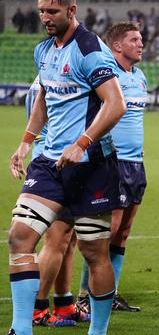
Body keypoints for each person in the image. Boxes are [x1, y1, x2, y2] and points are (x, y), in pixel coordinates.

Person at [8, 0, 125, 335]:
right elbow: (44, 96)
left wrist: (83, 142)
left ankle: (98, 330)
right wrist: (27, 141)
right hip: (50, 164)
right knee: (20, 237)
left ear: (71, 10)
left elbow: (115, 104)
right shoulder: (43, 50)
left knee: (94, 253)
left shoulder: (90, 50)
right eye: (42, 10)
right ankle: (21, 328)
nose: (45, 16)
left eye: (52, 11)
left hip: (92, 167)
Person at [77, 22, 148, 313]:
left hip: (136, 163)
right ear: (117, 46)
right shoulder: (108, 75)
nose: (140, 43)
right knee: (106, 231)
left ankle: (111, 292)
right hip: (112, 163)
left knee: (124, 231)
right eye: (134, 39)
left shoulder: (140, 76)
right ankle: (85, 296)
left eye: (141, 39)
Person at [26, 75, 86, 328]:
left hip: (56, 161)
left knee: (68, 237)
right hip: (56, 163)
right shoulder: (58, 79)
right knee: (57, 238)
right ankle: (38, 308)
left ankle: (64, 303)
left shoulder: (45, 78)